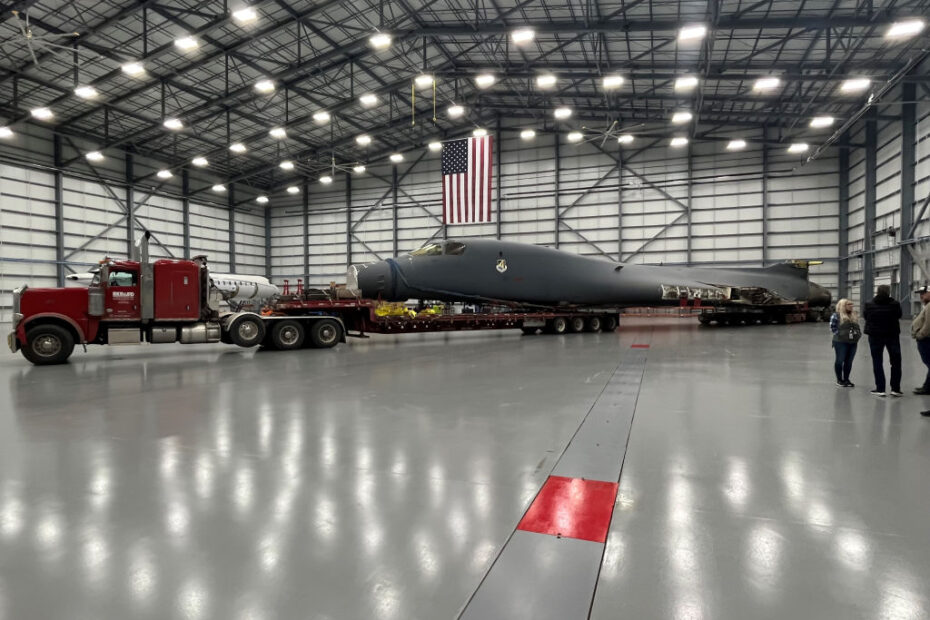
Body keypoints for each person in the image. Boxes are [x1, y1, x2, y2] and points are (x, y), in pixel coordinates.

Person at [863, 284, 903, 397]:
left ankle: (880, 388)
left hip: (875, 335)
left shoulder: (869, 304)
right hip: (892, 335)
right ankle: (895, 389)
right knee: (896, 361)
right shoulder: (895, 304)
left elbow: (866, 317)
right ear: (889, 292)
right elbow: (899, 315)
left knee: (877, 361)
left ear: (877, 291)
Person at [830, 298, 859, 387]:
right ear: (843, 306)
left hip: (852, 342)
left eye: (852, 304)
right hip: (840, 342)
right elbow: (833, 327)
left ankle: (846, 379)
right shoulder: (836, 315)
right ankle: (839, 379)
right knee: (840, 360)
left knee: (849, 362)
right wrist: (841, 335)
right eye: (849, 304)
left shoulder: (853, 315)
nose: (851, 306)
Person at [911, 286, 930, 395]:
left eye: (924, 293)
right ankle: (927, 386)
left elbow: (928, 325)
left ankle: (927, 388)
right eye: (920, 294)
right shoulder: (927, 306)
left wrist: (920, 335)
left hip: (926, 340)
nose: (921, 296)